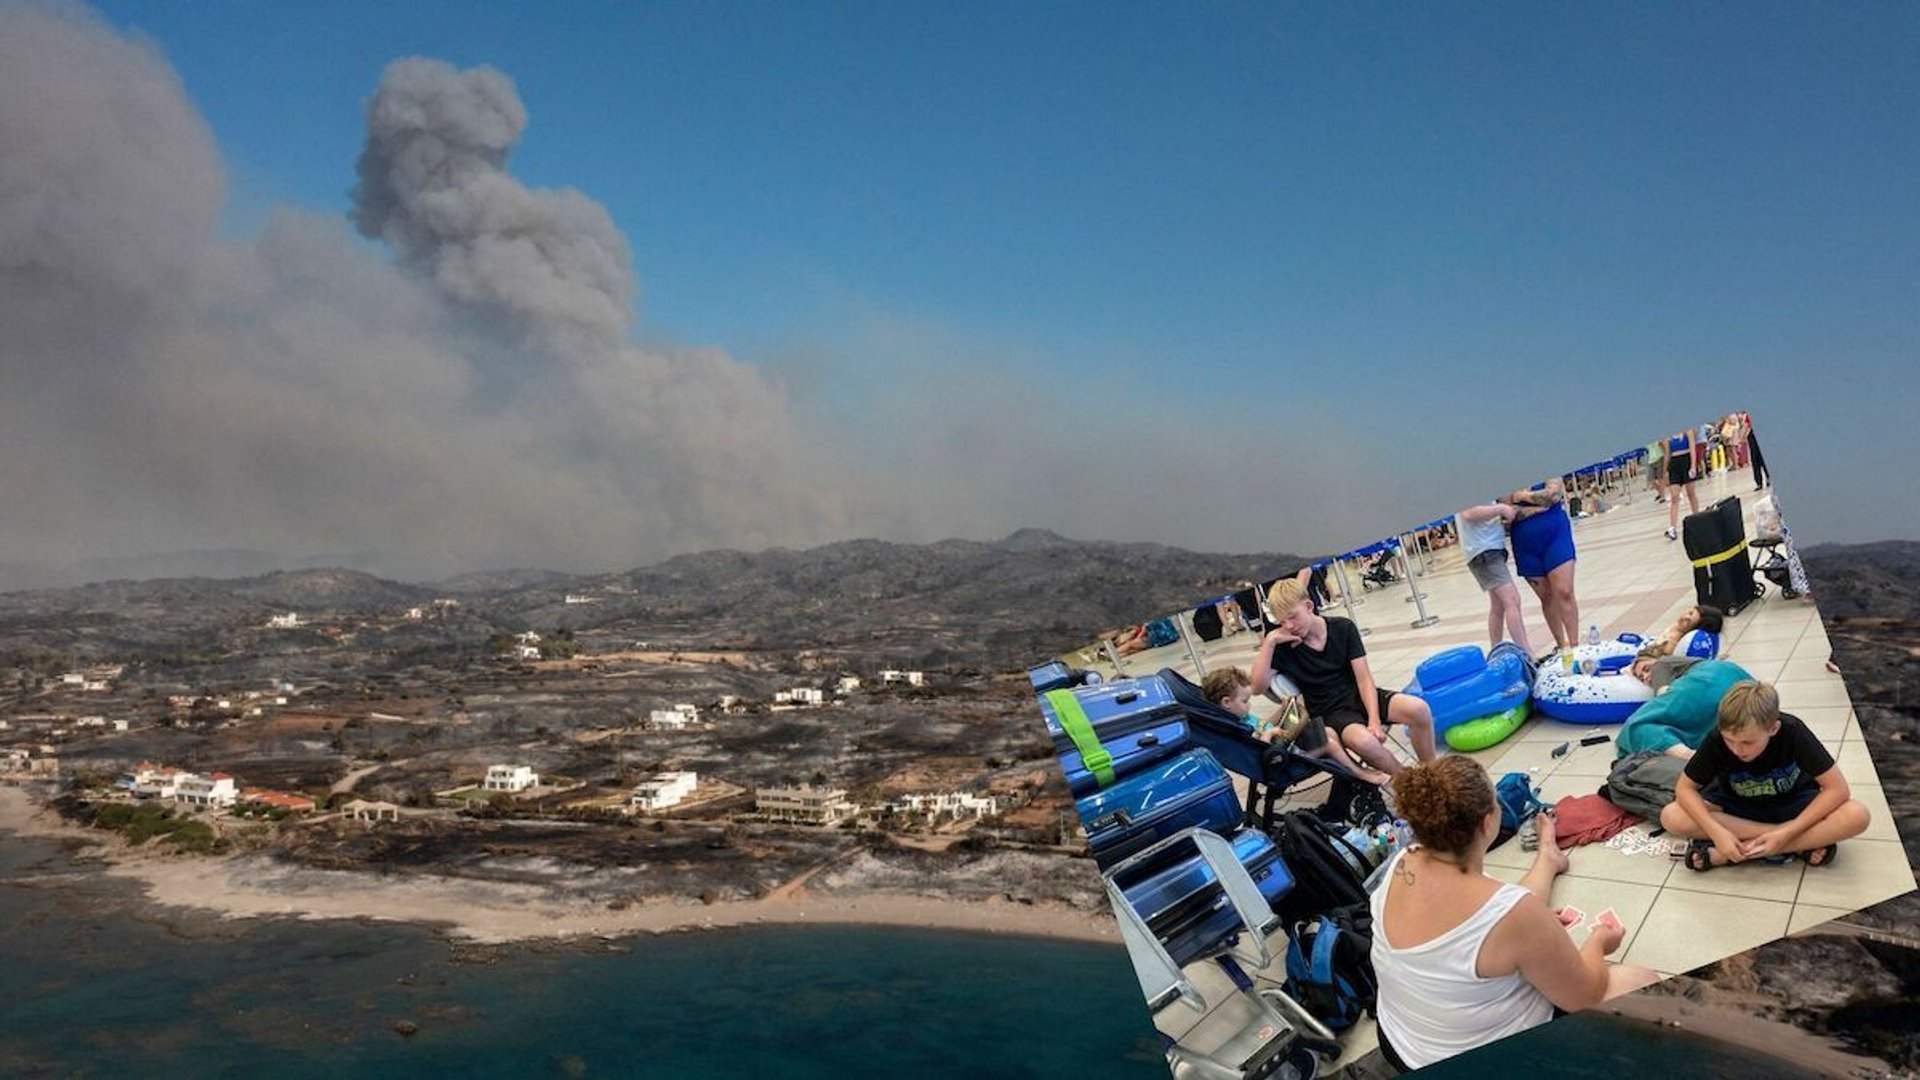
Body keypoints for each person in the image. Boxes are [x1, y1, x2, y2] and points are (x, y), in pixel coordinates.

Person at [1369, 756, 1658, 1070]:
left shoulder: (1404, 860)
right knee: (1640, 982)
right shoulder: (1515, 913)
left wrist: (1536, 924)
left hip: (1399, 1044)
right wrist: (1599, 941)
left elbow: (1492, 914)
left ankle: (1548, 857)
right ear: (1487, 821)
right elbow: (1584, 995)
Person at [1661, 680, 1869, 870]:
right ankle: (1794, 845)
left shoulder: (1793, 731)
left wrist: (1787, 833)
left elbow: (1838, 788)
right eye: (1729, 740)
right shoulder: (1716, 739)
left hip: (1793, 802)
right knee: (1671, 816)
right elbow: (1684, 788)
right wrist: (1717, 831)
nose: (1736, 750)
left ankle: (1744, 851)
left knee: (1857, 815)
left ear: (1773, 728)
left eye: (1747, 742)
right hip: (1738, 808)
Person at [1248, 578, 1437, 777]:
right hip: (1328, 711)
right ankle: (1413, 784)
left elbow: (1364, 679)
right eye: (1282, 621)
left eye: (1293, 617)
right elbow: (1257, 688)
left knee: (1419, 709)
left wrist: (1373, 720)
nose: (1289, 626)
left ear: (1309, 606)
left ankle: (1431, 773)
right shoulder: (1283, 647)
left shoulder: (1342, 628)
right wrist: (1269, 642)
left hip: (1359, 695)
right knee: (1365, 742)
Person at [1201, 666, 1390, 785]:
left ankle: (1353, 768)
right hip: (1280, 759)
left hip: (1283, 747)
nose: (1249, 705)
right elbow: (1259, 745)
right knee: (1329, 743)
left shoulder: (1240, 717)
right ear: (1226, 702)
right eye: (1245, 701)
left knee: (1329, 731)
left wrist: (1281, 712)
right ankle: (1359, 773)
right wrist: (1270, 735)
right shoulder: (1236, 727)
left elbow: (1262, 725)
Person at [1502, 478, 1580, 654]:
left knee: (1564, 591)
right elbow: (1506, 512)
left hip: (1555, 532)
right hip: (1525, 542)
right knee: (1546, 596)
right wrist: (1537, 504)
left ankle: (1575, 647)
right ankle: (1562, 646)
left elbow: (1553, 495)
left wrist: (1520, 496)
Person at [1456, 500, 1534, 655]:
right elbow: (1468, 513)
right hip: (1483, 550)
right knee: (1512, 600)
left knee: (1498, 606)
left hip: (1489, 547)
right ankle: (1527, 655)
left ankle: (1495, 651)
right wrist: (1500, 509)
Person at [1639, 604, 1724, 659]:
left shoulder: (1674, 639)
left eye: (1689, 622)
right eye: (1690, 613)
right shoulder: (1677, 627)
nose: (1685, 617)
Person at [1663, 429, 1700, 540]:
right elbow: (1667, 453)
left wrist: (1693, 466)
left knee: (1691, 493)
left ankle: (1697, 519)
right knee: (1674, 496)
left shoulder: (1687, 431)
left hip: (1686, 461)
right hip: (1674, 464)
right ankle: (1672, 527)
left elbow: (1692, 449)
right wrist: (1665, 471)